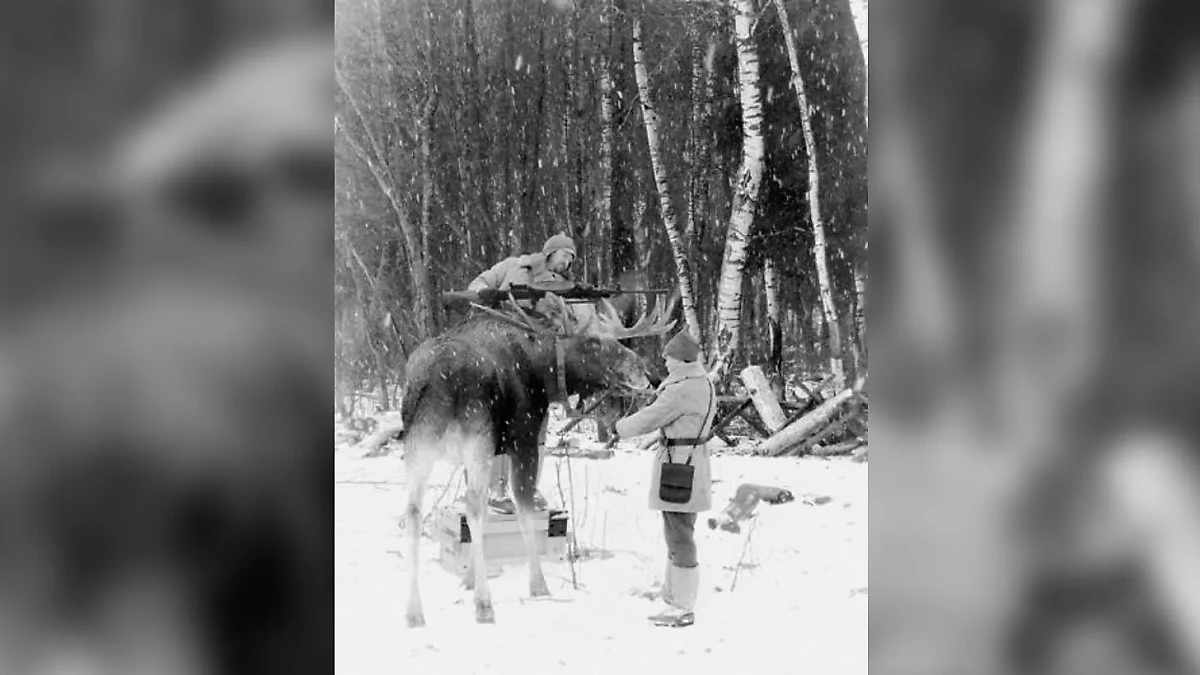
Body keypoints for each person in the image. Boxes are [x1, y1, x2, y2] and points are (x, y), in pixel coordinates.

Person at [468, 234, 578, 513]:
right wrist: (487, 294)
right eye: (565, 254)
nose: (567, 262)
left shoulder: (565, 287)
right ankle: (495, 490)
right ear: (550, 252)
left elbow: (571, 324)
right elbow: (478, 284)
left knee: (535, 430)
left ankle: (527, 488)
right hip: (500, 354)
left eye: (571, 258)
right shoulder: (514, 266)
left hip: (537, 363)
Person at [614, 330, 716, 628]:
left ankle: (682, 605)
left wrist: (618, 428)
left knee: (679, 534)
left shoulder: (682, 389)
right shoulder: (701, 382)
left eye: (668, 357)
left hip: (680, 464)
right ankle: (673, 596)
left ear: (681, 360)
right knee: (678, 528)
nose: (665, 361)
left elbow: (651, 417)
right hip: (690, 461)